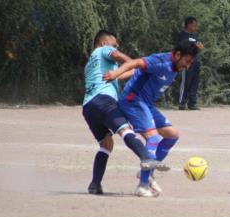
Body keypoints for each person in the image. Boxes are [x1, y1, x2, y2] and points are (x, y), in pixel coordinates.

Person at [103, 40, 199, 197]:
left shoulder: (175, 66)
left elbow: (138, 72)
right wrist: (115, 74)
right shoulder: (161, 61)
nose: (187, 66)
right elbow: (135, 63)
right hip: (133, 101)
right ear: (178, 54)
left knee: (172, 135)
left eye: (190, 63)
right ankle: (142, 186)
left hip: (147, 105)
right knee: (153, 138)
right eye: (187, 61)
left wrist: (119, 78)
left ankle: (147, 173)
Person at [82, 30, 160, 195]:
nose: (116, 47)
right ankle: (146, 157)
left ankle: (95, 184)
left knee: (106, 144)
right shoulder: (104, 50)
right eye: (114, 44)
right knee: (125, 130)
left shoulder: (91, 63)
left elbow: (123, 73)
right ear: (104, 43)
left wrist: (138, 69)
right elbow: (118, 56)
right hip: (104, 100)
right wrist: (136, 62)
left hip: (88, 107)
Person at [178, 16, 204, 110]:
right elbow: (181, 47)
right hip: (186, 62)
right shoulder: (182, 35)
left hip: (196, 61)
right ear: (188, 24)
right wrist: (192, 45)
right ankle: (182, 103)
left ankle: (192, 104)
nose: (195, 27)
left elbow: (200, 46)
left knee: (194, 83)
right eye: (193, 25)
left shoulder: (195, 36)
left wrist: (200, 47)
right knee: (186, 82)